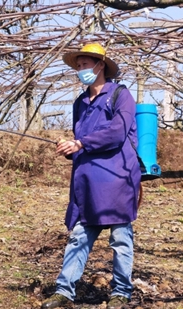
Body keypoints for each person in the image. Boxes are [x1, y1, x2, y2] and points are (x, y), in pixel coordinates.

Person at [41, 42, 141, 309]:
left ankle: (121, 292)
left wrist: (81, 143)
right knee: (79, 236)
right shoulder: (80, 102)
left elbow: (118, 132)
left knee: (120, 238)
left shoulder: (120, 95)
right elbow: (81, 140)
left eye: (85, 64)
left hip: (117, 178)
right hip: (87, 181)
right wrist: (70, 148)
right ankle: (64, 291)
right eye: (78, 66)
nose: (80, 69)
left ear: (100, 66)